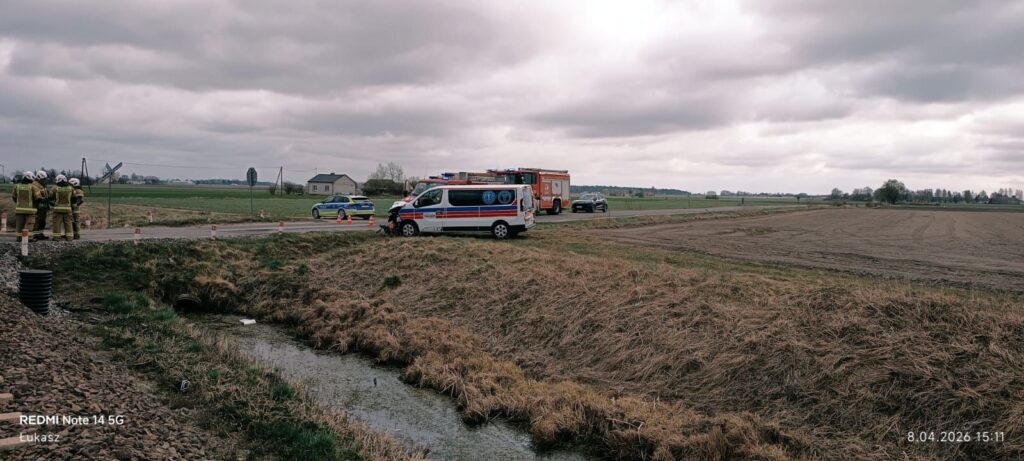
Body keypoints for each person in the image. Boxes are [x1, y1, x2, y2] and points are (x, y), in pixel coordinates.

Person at [12, 171, 38, 242]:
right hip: (30, 210)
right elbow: (37, 198)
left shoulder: (17, 186)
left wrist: (18, 203)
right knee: (29, 225)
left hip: (19, 209)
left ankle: (19, 238)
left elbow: (14, 197)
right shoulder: (32, 187)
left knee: (19, 225)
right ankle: (28, 238)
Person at [50, 175, 74, 242]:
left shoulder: (55, 188)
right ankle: (69, 238)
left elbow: (50, 197)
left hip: (57, 209)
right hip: (67, 209)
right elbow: (74, 198)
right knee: (68, 223)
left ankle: (56, 238)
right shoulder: (70, 188)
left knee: (57, 224)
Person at [31, 170, 50, 240]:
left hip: (43, 207)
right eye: (43, 179)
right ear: (39, 178)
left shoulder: (42, 185)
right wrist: (44, 199)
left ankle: (40, 234)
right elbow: (38, 197)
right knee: (37, 221)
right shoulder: (35, 185)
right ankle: (36, 235)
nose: (45, 180)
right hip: (37, 207)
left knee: (42, 221)